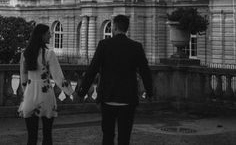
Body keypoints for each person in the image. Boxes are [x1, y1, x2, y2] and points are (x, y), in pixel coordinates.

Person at [78, 14, 153, 145]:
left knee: (107, 136)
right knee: (124, 138)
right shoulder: (136, 47)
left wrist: (82, 91)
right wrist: (150, 92)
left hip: (108, 97)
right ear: (126, 29)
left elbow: (92, 70)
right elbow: (145, 72)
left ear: (114, 27)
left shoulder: (104, 45)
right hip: (128, 99)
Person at [19, 23, 73, 145]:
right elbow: (58, 77)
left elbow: (23, 77)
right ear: (42, 36)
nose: (51, 35)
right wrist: (70, 91)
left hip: (30, 94)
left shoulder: (25, 54)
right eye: (48, 33)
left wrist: (26, 93)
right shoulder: (49, 54)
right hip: (46, 94)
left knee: (31, 137)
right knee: (47, 135)